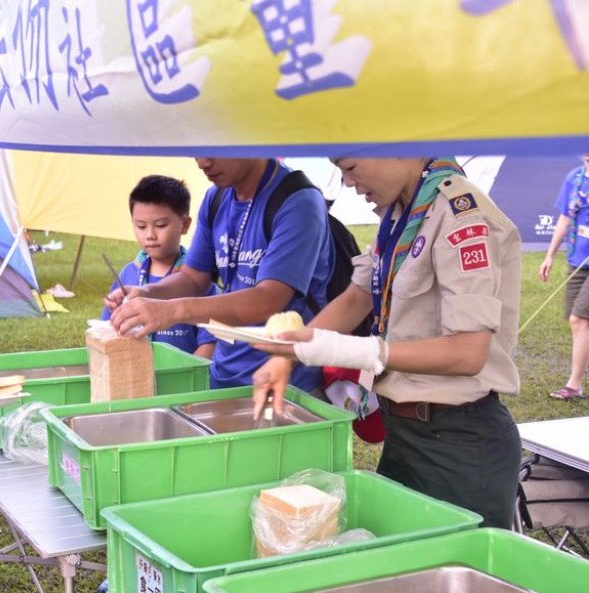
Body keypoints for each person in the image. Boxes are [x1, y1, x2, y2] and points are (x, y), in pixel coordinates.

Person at [251, 157, 522, 530]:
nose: (347, 183)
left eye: (350, 166)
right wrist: (290, 354)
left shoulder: (460, 214)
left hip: (459, 441)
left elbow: (468, 353)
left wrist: (360, 351)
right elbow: (358, 296)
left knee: (453, 571)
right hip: (406, 432)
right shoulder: (403, 212)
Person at [107, 157, 333, 391]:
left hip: (287, 383)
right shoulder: (216, 197)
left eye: (212, 149)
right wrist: (148, 292)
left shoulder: (298, 202)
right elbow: (193, 278)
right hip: (223, 373)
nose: (202, 162)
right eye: (196, 151)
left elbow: (268, 300)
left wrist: (171, 310)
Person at [101, 175, 217, 358]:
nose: (150, 235)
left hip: (184, 381)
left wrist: (185, 379)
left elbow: (210, 345)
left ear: (185, 225)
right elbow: (108, 333)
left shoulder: (199, 281)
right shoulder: (127, 275)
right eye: (141, 226)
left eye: (161, 225)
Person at [538, 153, 589, 400]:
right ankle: (577, 383)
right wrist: (550, 255)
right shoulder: (575, 178)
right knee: (576, 322)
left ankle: (574, 385)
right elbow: (566, 218)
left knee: (579, 319)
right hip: (577, 260)